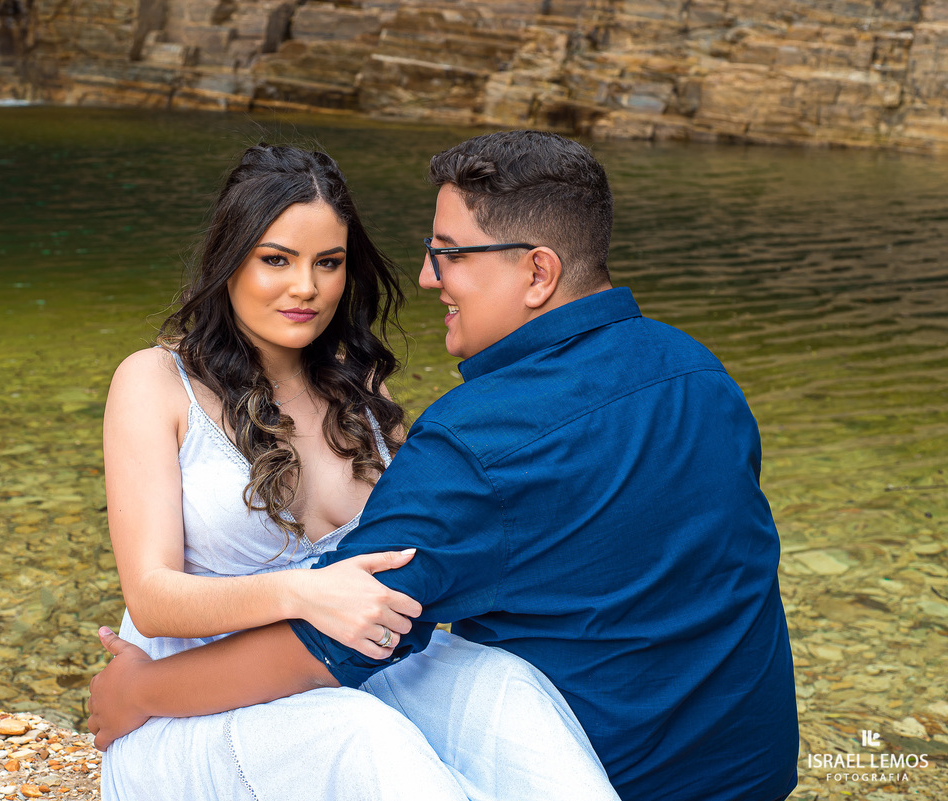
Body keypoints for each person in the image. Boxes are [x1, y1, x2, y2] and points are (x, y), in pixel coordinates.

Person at [89, 130, 801, 801]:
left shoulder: (364, 393)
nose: (306, 286)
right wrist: (289, 599)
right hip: (197, 682)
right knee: (362, 735)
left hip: (351, 663)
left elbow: (410, 579)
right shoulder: (156, 382)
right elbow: (157, 595)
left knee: (510, 689)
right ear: (230, 258)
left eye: (328, 262)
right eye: (276, 259)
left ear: (539, 272)